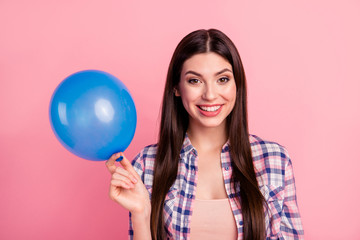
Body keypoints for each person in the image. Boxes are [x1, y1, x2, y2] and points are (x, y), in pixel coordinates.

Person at [106, 29, 304, 240]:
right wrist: (140, 214)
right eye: (195, 81)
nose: (210, 95)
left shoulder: (274, 160)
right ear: (177, 87)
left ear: (237, 84)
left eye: (223, 79)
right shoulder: (147, 164)